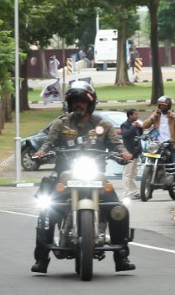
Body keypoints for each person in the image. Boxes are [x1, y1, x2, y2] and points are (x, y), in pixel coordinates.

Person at [30, 82, 135, 273]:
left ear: (91, 103)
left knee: (117, 209)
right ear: (70, 104)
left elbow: (116, 144)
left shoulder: (103, 125)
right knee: (47, 210)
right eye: (75, 101)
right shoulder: (60, 124)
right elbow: (48, 143)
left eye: (82, 102)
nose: (79, 105)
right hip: (65, 176)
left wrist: (124, 154)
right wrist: (41, 152)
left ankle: (121, 256)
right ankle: (42, 259)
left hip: (96, 175)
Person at [139, 95, 175, 166]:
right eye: (160, 105)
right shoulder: (156, 115)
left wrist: (173, 117)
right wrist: (152, 117)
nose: (162, 107)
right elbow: (144, 126)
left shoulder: (174, 115)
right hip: (157, 144)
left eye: (164, 105)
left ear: (169, 106)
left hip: (170, 144)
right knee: (151, 164)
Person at [120, 109, 143, 200]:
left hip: (136, 152)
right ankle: (126, 193)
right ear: (130, 116)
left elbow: (139, 135)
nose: (137, 116)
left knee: (133, 174)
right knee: (127, 174)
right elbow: (126, 135)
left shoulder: (135, 124)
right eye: (135, 114)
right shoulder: (125, 125)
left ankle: (134, 192)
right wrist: (133, 127)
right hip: (129, 152)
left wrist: (140, 128)